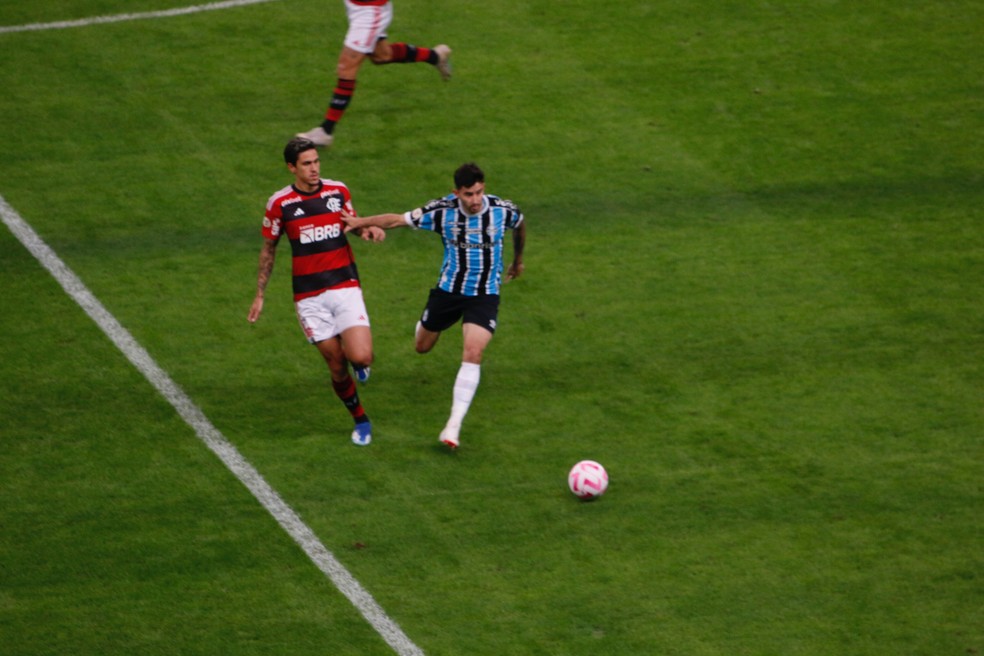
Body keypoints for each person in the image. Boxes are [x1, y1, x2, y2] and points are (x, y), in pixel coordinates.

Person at [341, 162, 526, 449]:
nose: (475, 200)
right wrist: (361, 221)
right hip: (448, 291)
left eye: (479, 192)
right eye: (468, 194)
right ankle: (428, 324)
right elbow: (397, 220)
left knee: (473, 351)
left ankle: (453, 426)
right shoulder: (442, 212)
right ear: (456, 193)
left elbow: (520, 223)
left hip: (484, 294)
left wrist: (518, 259)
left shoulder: (502, 210)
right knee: (422, 346)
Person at [248, 137, 386, 446]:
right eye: (307, 164)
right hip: (309, 297)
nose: (314, 168)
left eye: (316, 161)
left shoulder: (338, 192)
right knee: (337, 366)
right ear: (291, 168)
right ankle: (361, 419)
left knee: (361, 356)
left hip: (344, 285)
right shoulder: (280, 204)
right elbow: (269, 249)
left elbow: (353, 223)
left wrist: (368, 229)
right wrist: (260, 294)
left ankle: (359, 362)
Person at [297, 0, 452, 148]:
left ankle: (325, 131)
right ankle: (435, 56)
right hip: (356, 5)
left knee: (346, 67)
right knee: (381, 55)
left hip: (369, 11)